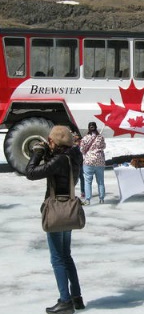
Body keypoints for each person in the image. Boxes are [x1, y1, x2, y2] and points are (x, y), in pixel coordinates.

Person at [26, 125, 85, 314]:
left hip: (56, 210)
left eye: (50, 139)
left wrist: (37, 152)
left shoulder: (60, 159)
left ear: (55, 142)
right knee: (66, 255)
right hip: (68, 208)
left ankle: (64, 300)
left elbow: (31, 172)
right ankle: (77, 297)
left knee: (57, 258)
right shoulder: (74, 155)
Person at [80, 122, 106, 205]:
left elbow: (82, 150)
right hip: (99, 161)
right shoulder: (100, 137)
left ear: (88, 128)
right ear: (96, 127)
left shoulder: (85, 138)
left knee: (88, 181)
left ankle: (88, 200)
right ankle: (101, 199)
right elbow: (104, 146)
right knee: (101, 181)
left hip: (89, 161)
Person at [73, 132, 85, 198]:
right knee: (75, 179)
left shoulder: (80, 146)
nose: (79, 140)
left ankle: (83, 192)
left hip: (80, 164)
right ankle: (71, 191)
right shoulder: (74, 146)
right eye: (77, 139)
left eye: (79, 139)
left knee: (82, 178)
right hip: (75, 165)